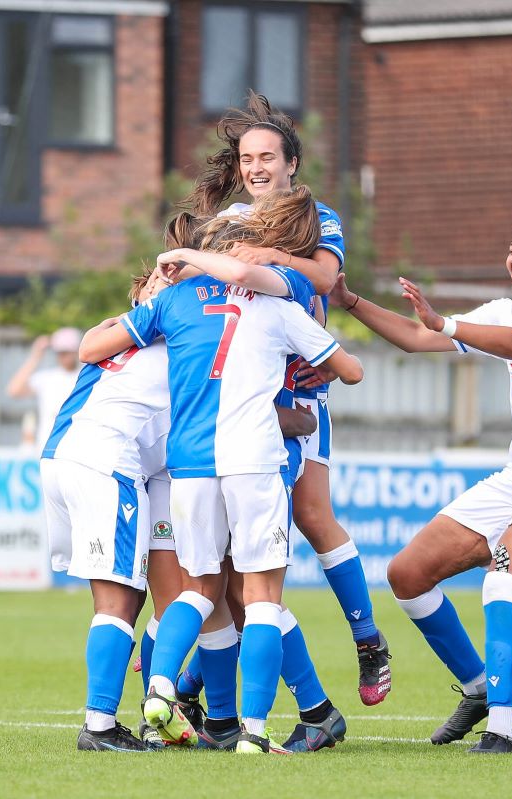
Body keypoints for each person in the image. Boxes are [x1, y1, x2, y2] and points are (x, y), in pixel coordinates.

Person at [81, 187, 364, 755]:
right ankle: (253, 734)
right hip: (254, 458)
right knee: (261, 596)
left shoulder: (174, 302)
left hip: (187, 464)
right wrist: (315, 366)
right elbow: (350, 370)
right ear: (250, 253)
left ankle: (160, 693)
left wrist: (168, 276)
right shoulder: (282, 304)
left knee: (200, 589)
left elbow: (94, 348)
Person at [330, 217, 512, 754]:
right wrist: (350, 302)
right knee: (407, 574)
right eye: (510, 248)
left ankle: (501, 732)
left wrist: (449, 324)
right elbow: (418, 337)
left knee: (502, 574)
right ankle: (480, 687)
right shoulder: (503, 311)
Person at [187, 91, 391, 705]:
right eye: (247, 157)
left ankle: (367, 638)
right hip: (239, 396)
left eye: (267, 156)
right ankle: (196, 683)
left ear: (291, 163)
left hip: (300, 391)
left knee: (309, 516)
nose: (256, 166)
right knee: (229, 555)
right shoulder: (225, 225)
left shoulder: (315, 215)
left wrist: (268, 253)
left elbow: (327, 278)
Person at [41, 270, 174, 752]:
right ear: (140, 298)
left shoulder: (114, 337)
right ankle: (99, 725)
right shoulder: (174, 342)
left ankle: (120, 715)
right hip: (105, 464)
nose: (165, 287)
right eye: (156, 283)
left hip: (60, 455)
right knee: (118, 599)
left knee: (128, 593)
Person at [7, 327, 83, 450]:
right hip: (47, 447)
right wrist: (36, 356)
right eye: (60, 352)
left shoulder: (85, 376)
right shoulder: (47, 378)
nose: (63, 357)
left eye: (67, 352)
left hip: (78, 447)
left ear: (76, 351)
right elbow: (14, 390)